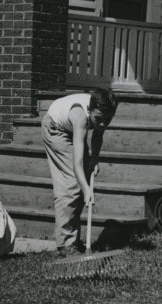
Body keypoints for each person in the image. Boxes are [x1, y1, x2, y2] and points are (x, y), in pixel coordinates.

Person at [41, 87, 118, 255]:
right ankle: (65, 244)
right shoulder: (80, 117)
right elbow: (77, 164)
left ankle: (73, 240)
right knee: (72, 184)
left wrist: (95, 160)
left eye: (108, 119)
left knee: (83, 177)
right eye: (98, 119)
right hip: (56, 129)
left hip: (71, 130)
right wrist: (86, 190)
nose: (103, 123)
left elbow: (98, 135)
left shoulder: (102, 113)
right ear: (90, 111)